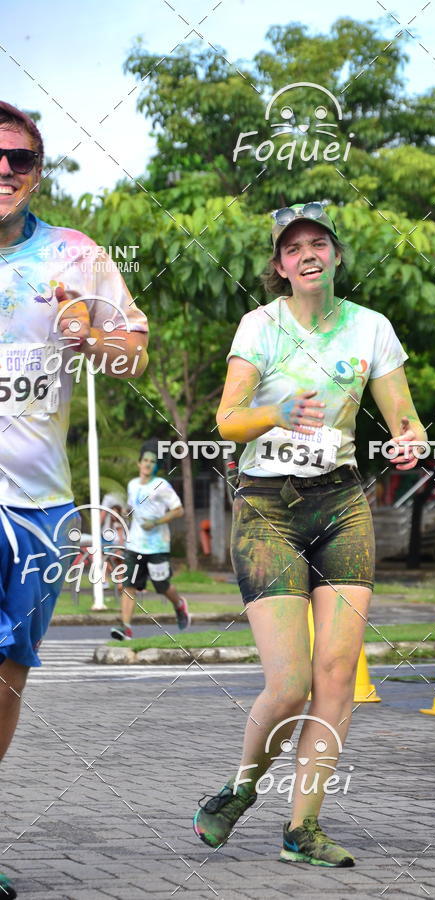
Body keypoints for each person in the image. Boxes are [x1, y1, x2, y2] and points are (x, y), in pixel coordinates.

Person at [193, 202, 427, 867]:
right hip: (268, 507)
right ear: (279, 267)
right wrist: (278, 412)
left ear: (337, 255)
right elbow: (228, 419)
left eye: (318, 243)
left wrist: (409, 440)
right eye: (293, 249)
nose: (308, 254)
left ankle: (304, 829)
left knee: (336, 677)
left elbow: (402, 416)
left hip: (343, 505)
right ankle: (241, 789)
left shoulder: (371, 328)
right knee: (290, 682)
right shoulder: (259, 327)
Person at [0, 101, 149, 900]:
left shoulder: (77, 255)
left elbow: (134, 357)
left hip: (41, 506)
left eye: (17, 160)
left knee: (8, 673)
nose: (2, 171)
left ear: (37, 170)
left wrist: (91, 337)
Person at [111, 440, 191, 640]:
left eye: (152, 461)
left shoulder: (161, 486)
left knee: (161, 585)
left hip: (157, 546)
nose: (147, 464)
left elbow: (178, 510)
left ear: (155, 466)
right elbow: (132, 509)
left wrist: (157, 521)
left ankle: (179, 605)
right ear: (139, 463)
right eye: (145, 460)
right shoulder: (132, 485)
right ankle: (126, 628)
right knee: (128, 584)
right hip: (135, 545)